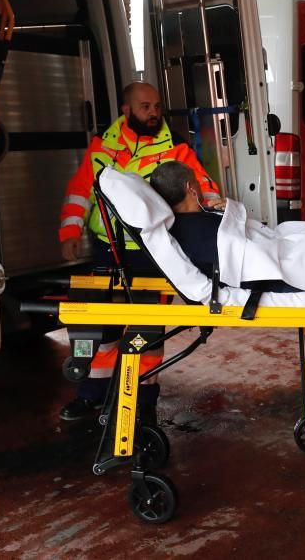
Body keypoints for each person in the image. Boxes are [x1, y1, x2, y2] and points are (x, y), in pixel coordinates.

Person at [56, 81, 222, 422]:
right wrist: (69, 231)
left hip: (152, 251)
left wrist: (210, 200)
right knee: (103, 329)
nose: (154, 113)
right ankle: (93, 394)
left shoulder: (174, 147)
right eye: (145, 107)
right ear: (126, 110)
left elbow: (199, 182)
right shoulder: (102, 147)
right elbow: (80, 191)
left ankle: (143, 403)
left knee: (147, 330)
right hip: (108, 250)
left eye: (157, 106)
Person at [149, 162, 299, 293]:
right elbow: (250, 262)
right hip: (276, 271)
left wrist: (230, 210)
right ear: (190, 188)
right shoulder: (198, 230)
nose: (200, 185)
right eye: (196, 181)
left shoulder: (189, 222)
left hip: (276, 251)